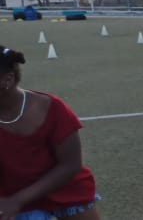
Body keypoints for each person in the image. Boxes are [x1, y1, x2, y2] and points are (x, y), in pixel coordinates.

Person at [0, 46, 101, 220]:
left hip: (63, 189)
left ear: (7, 79)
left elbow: (71, 165)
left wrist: (17, 200)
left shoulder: (51, 107)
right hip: (10, 196)